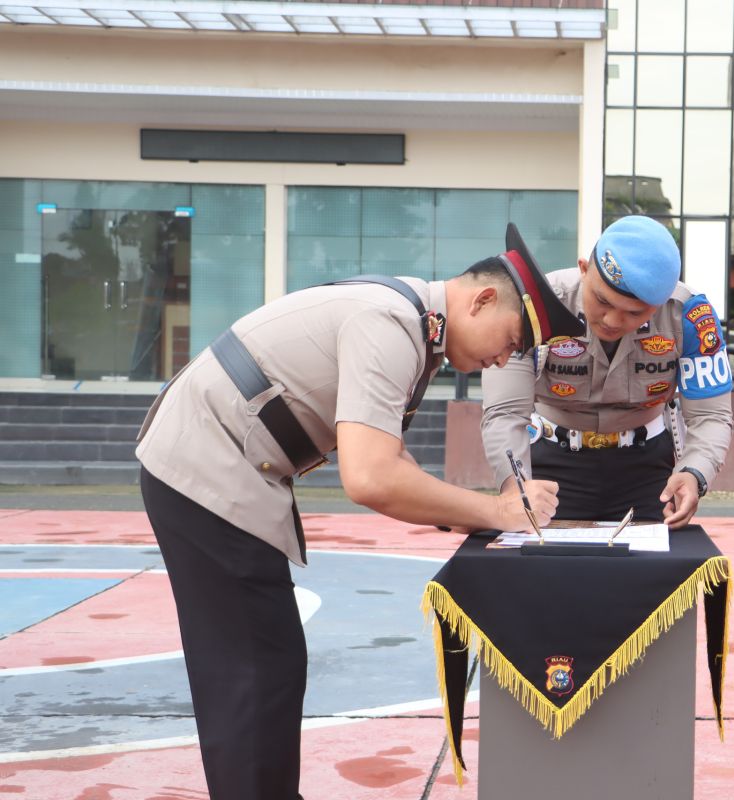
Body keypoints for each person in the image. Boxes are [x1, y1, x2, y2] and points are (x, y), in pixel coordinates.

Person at [135, 223, 584, 800]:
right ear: (482, 298)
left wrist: (484, 513)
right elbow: (372, 478)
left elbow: (392, 462)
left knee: (262, 663)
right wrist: (497, 512)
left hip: (217, 465)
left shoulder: (414, 328)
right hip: (207, 465)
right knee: (251, 667)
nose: (507, 360)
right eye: (515, 339)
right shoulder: (390, 324)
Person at [480, 215, 734, 527]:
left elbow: (712, 416)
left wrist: (695, 473)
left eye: (634, 313)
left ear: (661, 303)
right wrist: (514, 487)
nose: (613, 321)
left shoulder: (690, 317)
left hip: (649, 472)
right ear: (584, 269)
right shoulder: (534, 305)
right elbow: (505, 414)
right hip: (549, 467)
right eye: (602, 300)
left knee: (653, 574)